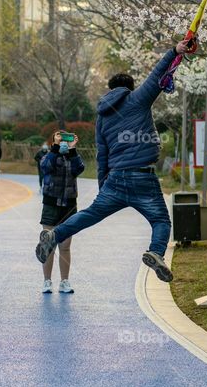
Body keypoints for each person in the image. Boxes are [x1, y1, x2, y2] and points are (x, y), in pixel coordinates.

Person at [35, 39, 195, 282]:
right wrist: (175, 51)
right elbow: (157, 75)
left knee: (89, 215)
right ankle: (156, 252)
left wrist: (104, 188)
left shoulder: (102, 118)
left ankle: (54, 235)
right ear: (130, 88)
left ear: (110, 90)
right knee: (160, 220)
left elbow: (103, 155)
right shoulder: (137, 99)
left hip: (116, 179)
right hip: (143, 177)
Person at [39, 131, 85, 294]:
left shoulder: (72, 157)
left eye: (66, 139)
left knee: (65, 246)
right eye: (61, 139)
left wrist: (73, 149)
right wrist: (55, 148)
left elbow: (79, 169)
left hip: (69, 206)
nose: (64, 142)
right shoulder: (50, 155)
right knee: (48, 245)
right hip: (51, 204)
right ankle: (47, 281)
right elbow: (45, 167)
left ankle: (64, 281)